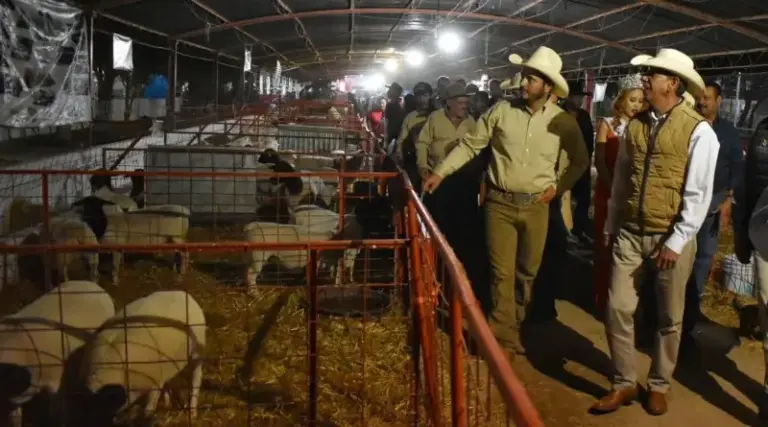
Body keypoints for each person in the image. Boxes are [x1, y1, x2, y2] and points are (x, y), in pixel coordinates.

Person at [423, 46, 589, 356]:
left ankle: (515, 322)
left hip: (536, 206)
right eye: (525, 77)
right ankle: (503, 335)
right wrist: (440, 172)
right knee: (501, 272)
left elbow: (580, 161)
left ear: (548, 86)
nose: (525, 84)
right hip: (499, 204)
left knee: (527, 272)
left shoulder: (563, 122)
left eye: (533, 79)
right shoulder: (500, 112)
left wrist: (559, 186)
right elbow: (471, 146)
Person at [591, 48, 719, 416]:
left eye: (654, 73)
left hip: (669, 235)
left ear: (672, 83)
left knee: (669, 317)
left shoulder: (699, 131)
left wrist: (677, 240)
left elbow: (698, 194)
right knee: (617, 307)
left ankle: (659, 383)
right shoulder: (635, 125)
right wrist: (612, 225)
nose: (646, 78)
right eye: (647, 73)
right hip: (630, 231)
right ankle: (625, 381)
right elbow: (621, 182)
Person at [680, 81, 743, 354]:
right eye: (700, 98)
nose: (703, 102)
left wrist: (728, 199)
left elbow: (737, 169)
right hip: (687, 204)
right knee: (678, 259)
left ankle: (688, 325)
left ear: (719, 100)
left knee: (703, 262)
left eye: (708, 98)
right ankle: (667, 319)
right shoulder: (688, 124)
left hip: (715, 206)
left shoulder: (728, 132)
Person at [592, 74, 645, 317]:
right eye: (632, 100)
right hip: (608, 194)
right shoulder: (607, 125)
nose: (636, 105)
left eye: (640, 101)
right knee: (606, 247)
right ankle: (602, 300)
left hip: (632, 197)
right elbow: (600, 161)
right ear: (621, 100)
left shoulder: (642, 126)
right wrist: (613, 187)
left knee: (626, 253)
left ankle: (622, 305)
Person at [564, 81, 595, 242]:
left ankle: (579, 229)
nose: (579, 100)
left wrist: (587, 160)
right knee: (563, 197)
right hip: (563, 165)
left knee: (583, 198)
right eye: (576, 96)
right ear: (568, 97)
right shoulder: (559, 114)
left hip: (582, 163)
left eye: (580, 97)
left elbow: (589, 140)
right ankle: (564, 230)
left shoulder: (584, 115)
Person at [396, 82, 434, 191]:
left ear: (430, 96)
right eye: (419, 95)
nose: (422, 99)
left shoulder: (439, 115)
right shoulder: (410, 118)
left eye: (425, 95)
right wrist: (401, 157)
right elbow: (401, 141)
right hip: (416, 161)